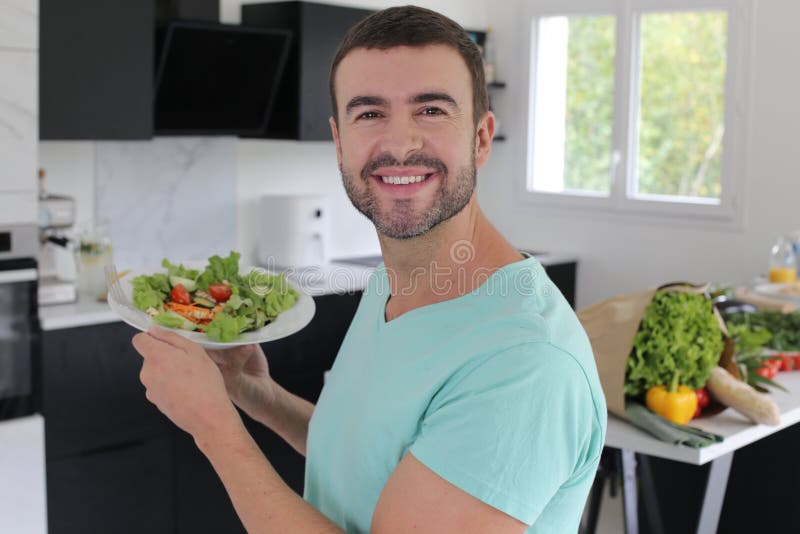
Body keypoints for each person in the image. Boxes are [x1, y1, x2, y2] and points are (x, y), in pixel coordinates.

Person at [132, 6, 607, 533]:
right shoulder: (393, 285)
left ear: (480, 137)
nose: (400, 144)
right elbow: (374, 464)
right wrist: (258, 398)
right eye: (370, 113)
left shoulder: (525, 361)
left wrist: (214, 429)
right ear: (340, 142)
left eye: (430, 110)